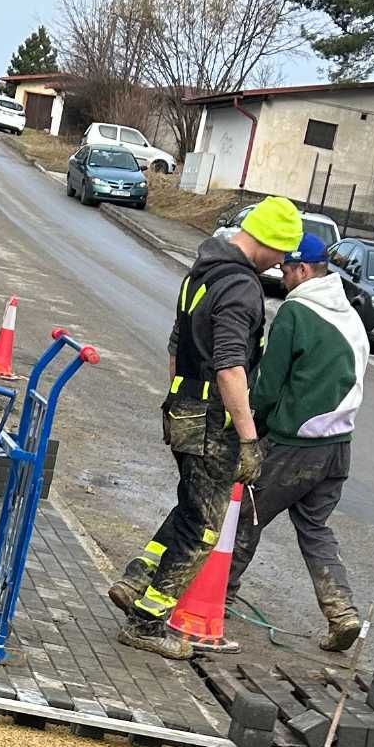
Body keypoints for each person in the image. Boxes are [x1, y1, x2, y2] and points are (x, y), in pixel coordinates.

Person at [109, 195, 304, 660]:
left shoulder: (204, 271)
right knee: (204, 528)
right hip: (212, 420)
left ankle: (138, 578)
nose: (282, 263)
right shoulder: (240, 287)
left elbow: (176, 344)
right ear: (271, 242)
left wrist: (179, 397)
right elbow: (231, 367)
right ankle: (147, 623)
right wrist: (248, 436)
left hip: (183, 409)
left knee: (193, 504)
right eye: (282, 252)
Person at [225, 227, 368, 651]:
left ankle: (216, 599)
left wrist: (253, 430)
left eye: (287, 269)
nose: (282, 277)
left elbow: (268, 384)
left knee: (246, 517)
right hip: (338, 447)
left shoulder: (297, 312)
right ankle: (342, 612)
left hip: (295, 445)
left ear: (303, 270)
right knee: (314, 528)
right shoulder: (348, 314)